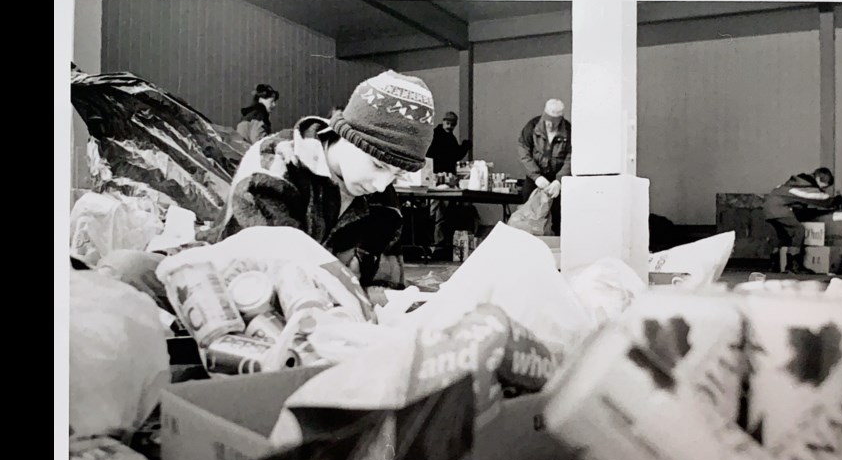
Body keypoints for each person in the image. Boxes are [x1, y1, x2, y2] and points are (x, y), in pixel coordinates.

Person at [99, 70, 435, 303]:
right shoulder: (278, 159)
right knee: (126, 271)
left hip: (319, 312)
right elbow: (264, 268)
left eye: (395, 174)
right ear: (345, 135)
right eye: (377, 164)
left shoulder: (384, 203)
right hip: (230, 285)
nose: (381, 185)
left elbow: (383, 286)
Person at [763, 167, 842, 273]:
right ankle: (793, 266)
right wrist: (837, 199)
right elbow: (822, 200)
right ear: (819, 179)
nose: (822, 189)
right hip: (778, 208)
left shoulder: (797, 181)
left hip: (768, 208)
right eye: (823, 187)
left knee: (783, 235)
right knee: (798, 230)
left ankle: (774, 265)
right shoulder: (806, 186)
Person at [424, 111, 475, 258]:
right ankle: (436, 244)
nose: (450, 126)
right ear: (444, 121)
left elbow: (453, 155)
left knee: (441, 213)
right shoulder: (437, 136)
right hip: (437, 179)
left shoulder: (446, 137)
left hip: (444, 179)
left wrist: (464, 147)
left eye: (452, 124)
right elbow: (450, 155)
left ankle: (439, 244)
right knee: (437, 212)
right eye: (448, 123)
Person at [518, 99, 571, 235]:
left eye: (554, 122)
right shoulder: (532, 127)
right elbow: (524, 151)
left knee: (560, 216)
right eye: (548, 121)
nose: (550, 125)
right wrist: (536, 177)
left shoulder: (568, 131)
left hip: (557, 179)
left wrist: (559, 180)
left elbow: (571, 158)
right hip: (535, 178)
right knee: (529, 214)